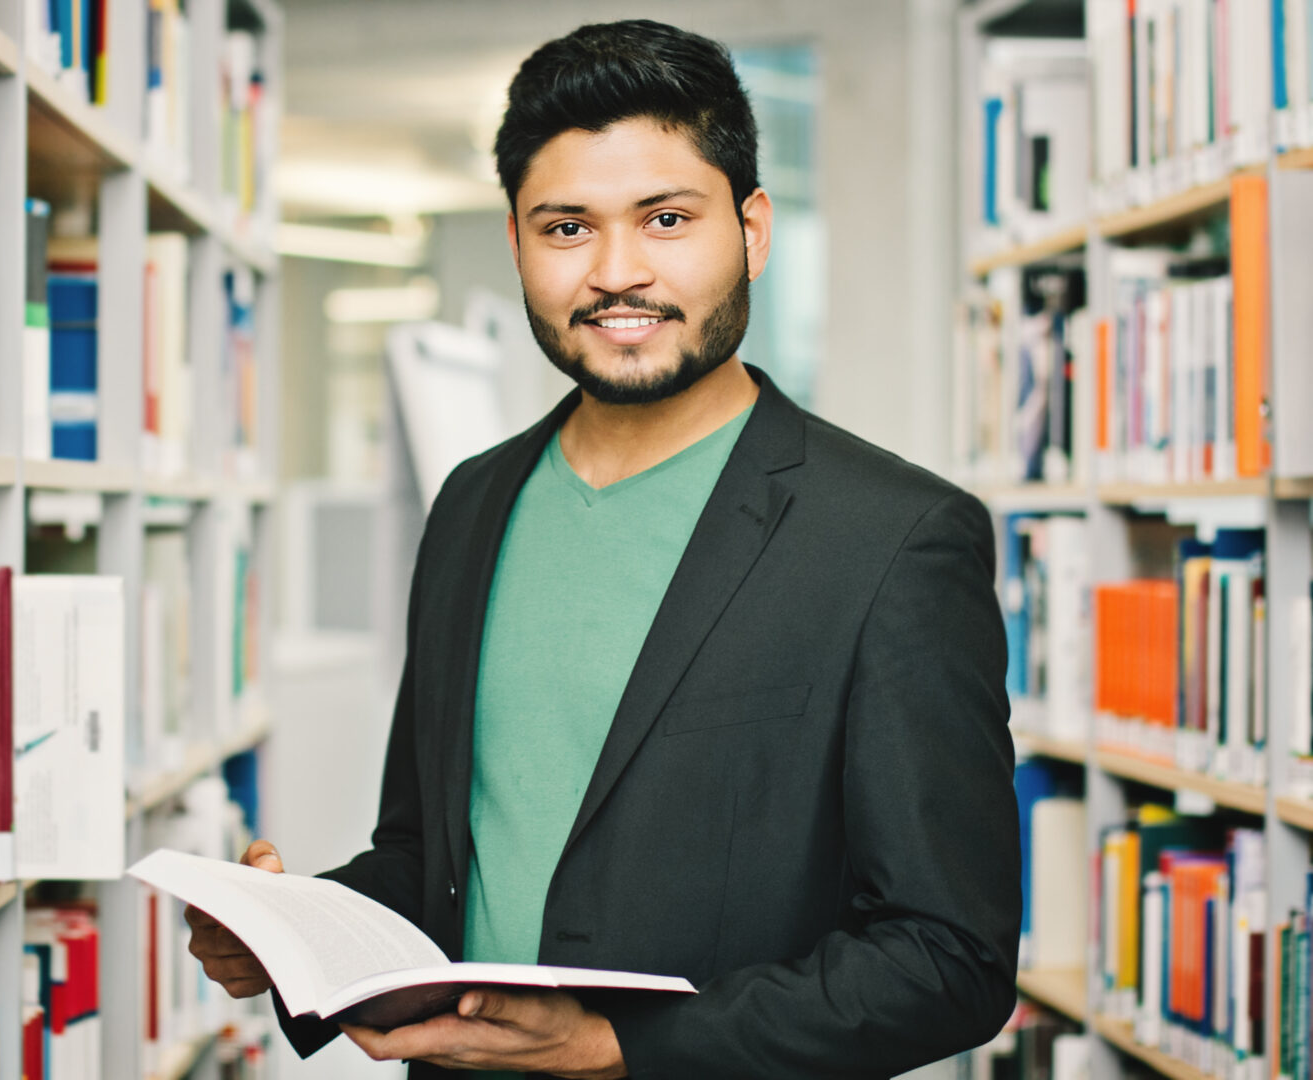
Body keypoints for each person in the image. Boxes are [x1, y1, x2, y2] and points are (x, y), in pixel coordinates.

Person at [187, 19, 1020, 1079]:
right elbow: (433, 855)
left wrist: (618, 1048)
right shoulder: (474, 502)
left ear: (753, 230)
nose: (617, 273)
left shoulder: (894, 539)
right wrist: (299, 924)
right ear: (518, 243)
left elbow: (948, 961)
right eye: (568, 228)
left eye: (666, 219)